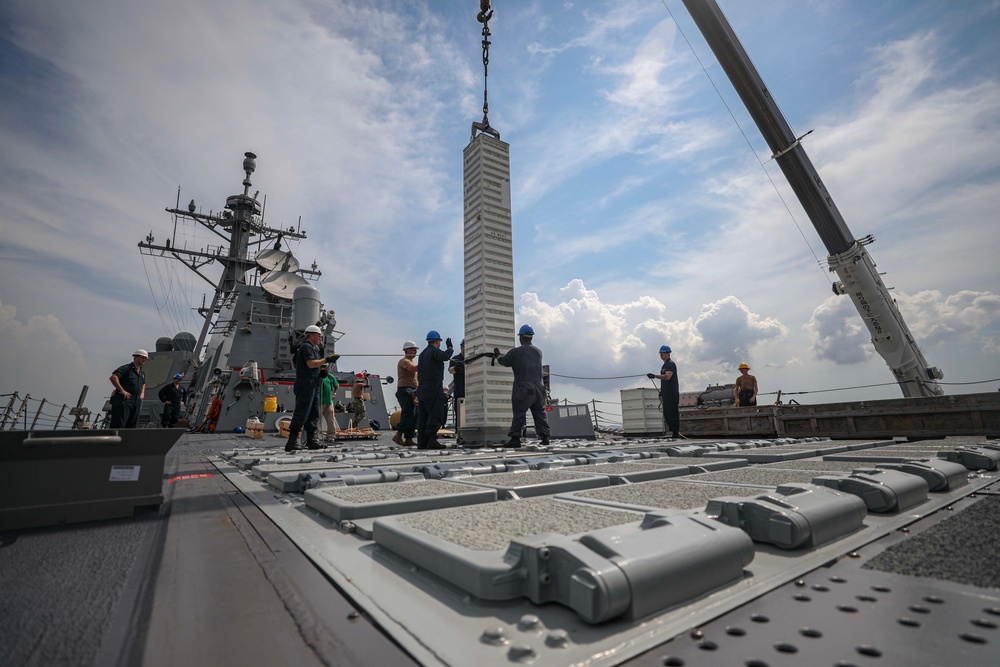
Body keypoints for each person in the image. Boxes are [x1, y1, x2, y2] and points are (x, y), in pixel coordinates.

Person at [495, 324, 550, 448]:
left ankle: (515, 439)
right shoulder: (538, 352)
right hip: (539, 388)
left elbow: (504, 361)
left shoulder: (516, 352)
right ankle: (545, 437)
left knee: (519, 412)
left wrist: (498, 355)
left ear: (521, 337)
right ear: (531, 337)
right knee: (539, 412)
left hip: (524, 388)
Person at [287, 325, 339, 452]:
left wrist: (321, 372)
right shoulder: (306, 347)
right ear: (312, 335)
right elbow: (310, 364)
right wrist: (327, 359)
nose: (320, 338)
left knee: (313, 414)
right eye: (319, 336)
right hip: (306, 384)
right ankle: (292, 441)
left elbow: (314, 365)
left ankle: (311, 440)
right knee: (302, 412)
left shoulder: (314, 349)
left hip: (314, 385)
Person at [416, 330, 453, 449]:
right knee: (435, 413)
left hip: (421, 388)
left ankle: (422, 443)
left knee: (423, 417)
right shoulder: (434, 351)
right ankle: (432, 440)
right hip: (433, 387)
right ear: (437, 341)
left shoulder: (422, 354)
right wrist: (450, 348)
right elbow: (445, 357)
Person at [109, 349, 148, 428]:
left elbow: (143, 383)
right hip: (124, 401)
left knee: (132, 425)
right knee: (119, 424)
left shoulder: (141, 372)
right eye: (142, 357)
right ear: (135, 357)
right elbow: (113, 377)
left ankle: (128, 440)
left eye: (145, 358)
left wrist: (142, 393)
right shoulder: (126, 368)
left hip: (136, 401)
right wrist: (122, 390)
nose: (144, 360)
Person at [647, 345, 680, 438]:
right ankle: (673, 432)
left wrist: (655, 376)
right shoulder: (664, 365)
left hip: (671, 393)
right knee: (667, 413)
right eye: (660, 353)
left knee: (672, 412)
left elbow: (668, 376)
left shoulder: (670, 364)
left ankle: (675, 432)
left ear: (668, 354)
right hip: (666, 392)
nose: (661, 354)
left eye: (663, 353)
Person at [393, 341, 419, 446]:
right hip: (405, 390)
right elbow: (412, 369)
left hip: (413, 390)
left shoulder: (412, 362)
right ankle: (398, 435)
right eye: (413, 349)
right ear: (406, 350)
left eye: (415, 349)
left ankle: (409, 438)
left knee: (414, 415)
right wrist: (426, 361)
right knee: (408, 413)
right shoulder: (404, 361)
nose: (415, 351)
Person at [448, 339, 466, 429]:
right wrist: (456, 368)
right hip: (460, 390)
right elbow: (450, 370)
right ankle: (459, 431)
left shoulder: (471, 359)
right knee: (459, 412)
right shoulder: (456, 359)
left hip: (471, 390)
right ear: (461, 347)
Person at [320, 364, 339, 442]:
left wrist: (334, 393)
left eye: (325, 367)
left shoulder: (330, 376)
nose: (324, 368)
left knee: (331, 420)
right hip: (319, 402)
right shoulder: (316, 376)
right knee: (317, 420)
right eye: (322, 367)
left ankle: (331, 436)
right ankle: (315, 437)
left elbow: (337, 385)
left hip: (329, 402)